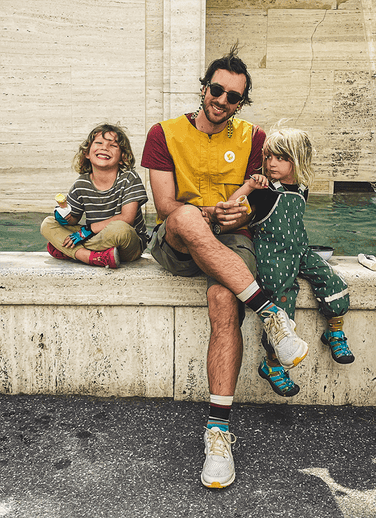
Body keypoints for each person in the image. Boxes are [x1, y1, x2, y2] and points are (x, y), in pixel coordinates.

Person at [140, 48, 308, 489]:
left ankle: (218, 433)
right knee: (187, 216)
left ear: (240, 103)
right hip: (178, 237)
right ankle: (271, 313)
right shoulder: (164, 133)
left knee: (222, 300)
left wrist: (244, 214)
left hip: (231, 241)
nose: (222, 100)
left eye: (233, 96)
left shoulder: (254, 138)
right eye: (217, 90)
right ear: (204, 88)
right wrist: (206, 213)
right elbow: (163, 205)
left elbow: (257, 199)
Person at [228, 128, 353, 398]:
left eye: (281, 158)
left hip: (299, 250)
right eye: (269, 156)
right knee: (283, 304)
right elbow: (229, 207)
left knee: (333, 282)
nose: (272, 163)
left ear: (297, 159)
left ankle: (334, 331)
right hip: (273, 257)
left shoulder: (302, 189)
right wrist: (249, 186)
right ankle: (272, 365)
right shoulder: (264, 191)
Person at [41, 124, 148, 268]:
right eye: (99, 143)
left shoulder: (129, 178)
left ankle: (72, 251)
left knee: (120, 229)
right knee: (48, 224)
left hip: (128, 244)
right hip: (96, 238)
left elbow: (127, 219)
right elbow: (74, 219)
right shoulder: (81, 184)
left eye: (113, 145)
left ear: (122, 157)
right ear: (86, 153)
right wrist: (64, 217)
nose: (105, 147)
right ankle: (93, 257)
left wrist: (88, 230)